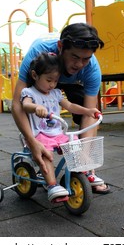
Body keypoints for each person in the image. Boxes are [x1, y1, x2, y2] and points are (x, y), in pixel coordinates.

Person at [12, 23, 110, 194]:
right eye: (74, 57)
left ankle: (85, 170)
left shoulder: (91, 68)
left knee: (87, 112)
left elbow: (90, 112)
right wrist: (32, 142)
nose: (79, 64)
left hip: (73, 82)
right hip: (46, 71)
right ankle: (44, 164)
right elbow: (16, 105)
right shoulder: (38, 55)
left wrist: (85, 161)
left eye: (85, 59)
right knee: (32, 109)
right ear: (60, 47)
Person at [21, 52, 101, 201]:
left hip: (57, 133)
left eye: (56, 80)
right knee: (46, 155)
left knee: (75, 145)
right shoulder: (29, 92)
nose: (52, 84)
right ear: (34, 75)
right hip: (40, 134)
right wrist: (35, 107)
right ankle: (52, 185)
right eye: (49, 80)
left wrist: (88, 110)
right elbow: (25, 105)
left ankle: (85, 171)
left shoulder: (56, 93)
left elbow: (70, 106)